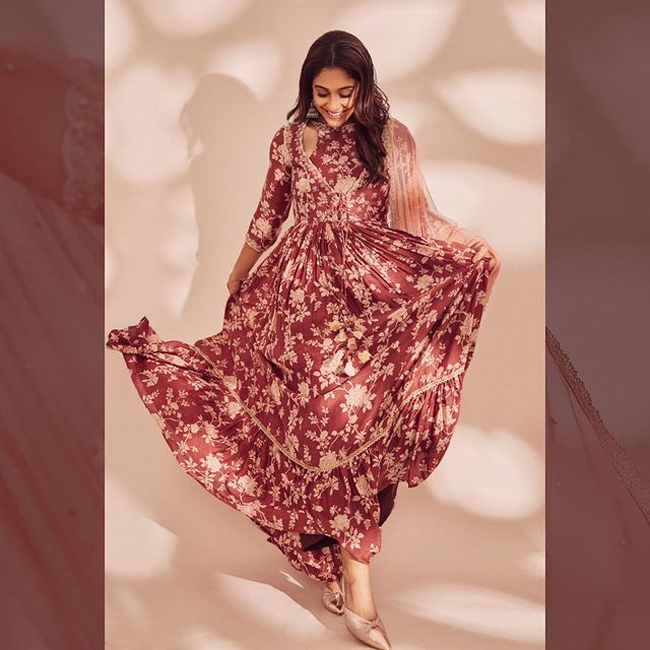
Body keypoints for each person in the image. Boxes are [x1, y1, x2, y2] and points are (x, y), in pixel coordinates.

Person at [106, 30, 500, 649]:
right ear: (306, 88)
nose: (335, 105)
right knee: (308, 425)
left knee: (353, 426)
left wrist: (470, 249)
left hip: (363, 302)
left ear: (365, 87)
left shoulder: (392, 141)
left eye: (346, 92)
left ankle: (345, 570)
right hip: (296, 300)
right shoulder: (290, 140)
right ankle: (344, 575)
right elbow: (269, 216)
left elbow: (419, 218)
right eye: (322, 92)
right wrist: (237, 273)